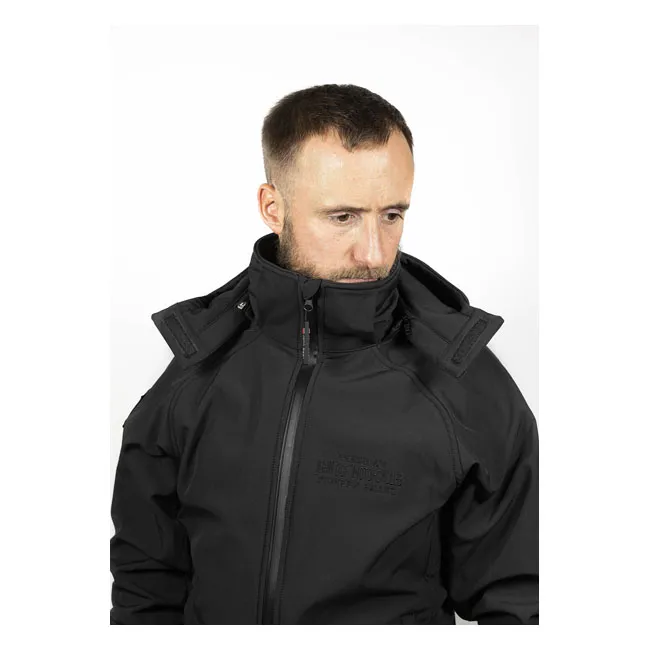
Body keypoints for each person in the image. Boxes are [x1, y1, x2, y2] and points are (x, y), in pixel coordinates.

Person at [110, 83, 539, 625]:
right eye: (343, 217)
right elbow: (146, 586)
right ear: (273, 208)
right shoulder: (196, 370)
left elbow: (522, 603)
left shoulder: (464, 382)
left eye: (392, 214)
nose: (374, 252)